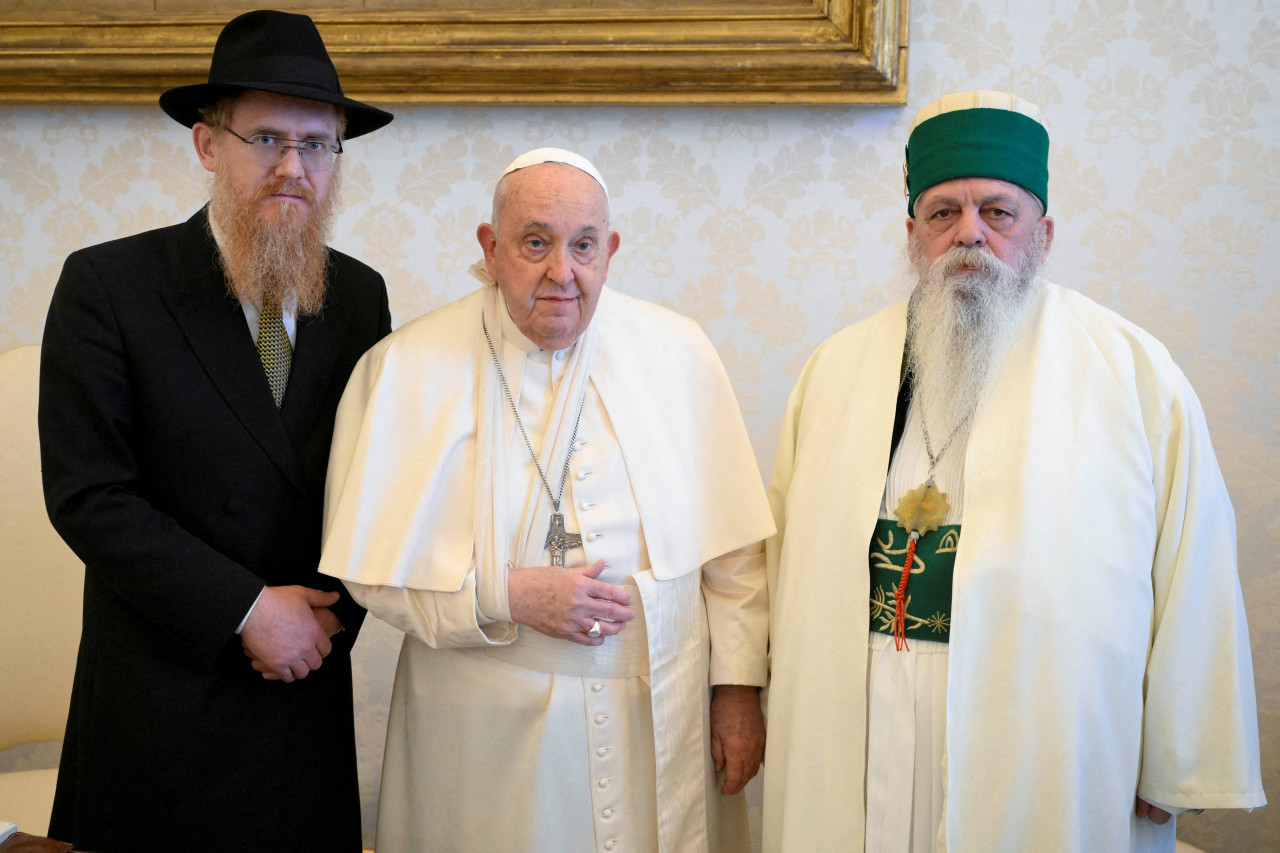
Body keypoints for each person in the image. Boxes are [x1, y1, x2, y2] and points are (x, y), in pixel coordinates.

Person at [761, 90, 1265, 853]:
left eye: (997, 212)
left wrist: (1178, 756)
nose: (968, 233)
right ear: (911, 235)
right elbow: (780, 556)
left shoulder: (1127, 369)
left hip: (1046, 727)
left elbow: (1194, 564)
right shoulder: (837, 368)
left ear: (1043, 232)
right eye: (942, 213)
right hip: (862, 708)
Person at [319, 147, 773, 852]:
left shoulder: (677, 352)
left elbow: (734, 551)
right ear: (490, 247)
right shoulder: (408, 364)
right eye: (536, 243)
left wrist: (738, 689)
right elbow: (373, 569)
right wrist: (507, 595)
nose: (563, 271)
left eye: (583, 245)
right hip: (483, 728)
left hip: (661, 712)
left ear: (610, 250)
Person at [38, 11, 393, 852]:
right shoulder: (109, 284)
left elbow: (381, 483)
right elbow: (90, 494)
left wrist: (325, 620)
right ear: (206, 145)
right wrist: (244, 610)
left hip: (301, 692)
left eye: (317, 144)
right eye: (265, 137)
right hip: (164, 701)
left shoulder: (361, 298)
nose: (292, 168)